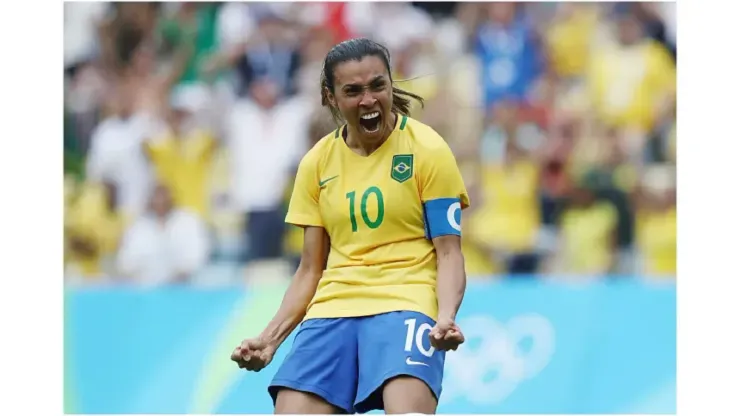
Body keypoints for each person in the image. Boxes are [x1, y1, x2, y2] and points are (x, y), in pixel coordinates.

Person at [230, 37, 469, 414]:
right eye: (353, 91)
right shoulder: (317, 163)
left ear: (392, 84)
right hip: (334, 305)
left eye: (378, 85)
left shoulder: (428, 149)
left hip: (406, 300)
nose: (368, 100)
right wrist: (270, 338)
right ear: (331, 98)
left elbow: (449, 252)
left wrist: (445, 317)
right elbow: (310, 269)